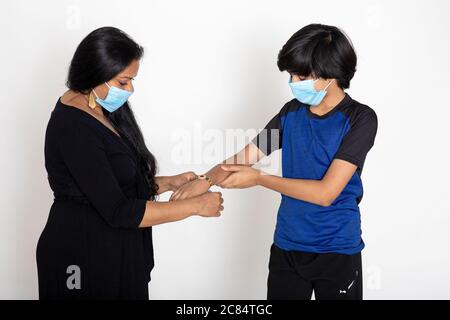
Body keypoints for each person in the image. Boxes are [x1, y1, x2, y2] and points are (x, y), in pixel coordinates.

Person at [171, 24, 378, 300]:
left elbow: (326, 193)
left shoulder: (360, 119)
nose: (293, 82)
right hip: (287, 247)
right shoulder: (291, 113)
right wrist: (204, 181)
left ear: (331, 72)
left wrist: (259, 178)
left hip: (337, 250)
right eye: (291, 74)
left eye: (301, 75)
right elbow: (245, 157)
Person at [36, 27, 224, 300]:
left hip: (115, 251)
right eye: (124, 82)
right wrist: (194, 207)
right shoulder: (73, 127)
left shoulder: (102, 107)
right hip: (80, 257)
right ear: (95, 74)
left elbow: (112, 184)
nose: (130, 89)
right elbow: (118, 210)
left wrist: (166, 183)